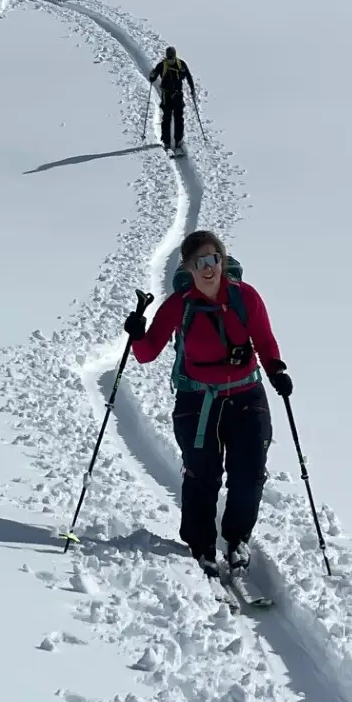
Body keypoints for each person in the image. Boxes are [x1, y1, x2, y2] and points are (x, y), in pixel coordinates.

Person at [124, 231, 292, 576]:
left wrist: (277, 371)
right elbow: (146, 354)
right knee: (202, 474)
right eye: (199, 262)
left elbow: (264, 340)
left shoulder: (246, 298)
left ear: (223, 261)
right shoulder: (179, 305)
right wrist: (137, 333)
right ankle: (201, 545)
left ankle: (237, 538)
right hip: (196, 400)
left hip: (246, 394)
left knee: (250, 472)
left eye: (213, 258)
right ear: (188, 266)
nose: (208, 267)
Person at [148, 46, 196, 155]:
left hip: (178, 95)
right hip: (166, 96)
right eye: (168, 58)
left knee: (179, 118)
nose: (170, 60)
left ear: (175, 56)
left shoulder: (181, 64)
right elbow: (153, 78)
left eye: (172, 58)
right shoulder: (161, 65)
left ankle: (179, 141)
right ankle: (167, 142)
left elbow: (189, 77)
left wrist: (192, 89)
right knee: (167, 118)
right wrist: (152, 75)